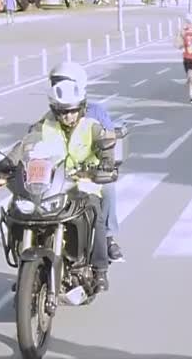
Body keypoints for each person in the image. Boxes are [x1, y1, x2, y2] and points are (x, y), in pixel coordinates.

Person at [0, 64, 117, 291]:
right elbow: (24, 146)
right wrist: (5, 165)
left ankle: (100, 269)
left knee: (95, 215)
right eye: (62, 111)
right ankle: (25, 268)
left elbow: (107, 147)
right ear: (54, 109)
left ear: (81, 107)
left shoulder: (92, 127)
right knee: (17, 211)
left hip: (83, 184)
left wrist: (105, 164)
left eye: (72, 110)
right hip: (52, 184)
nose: (68, 115)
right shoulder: (44, 126)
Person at [48, 62, 124, 262]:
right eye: (55, 82)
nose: (58, 86)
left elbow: (108, 140)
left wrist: (104, 165)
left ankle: (108, 238)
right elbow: (33, 139)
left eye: (62, 81)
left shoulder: (95, 112)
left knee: (108, 189)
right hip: (59, 174)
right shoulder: (51, 115)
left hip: (88, 174)